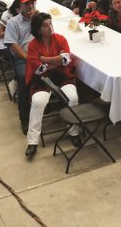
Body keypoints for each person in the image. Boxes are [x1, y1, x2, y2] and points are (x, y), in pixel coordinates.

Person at [23, 12, 81, 158]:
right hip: (42, 80)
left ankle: (74, 132)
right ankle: (32, 142)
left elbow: (66, 60)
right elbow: (39, 69)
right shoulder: (33, 45)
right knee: (38, 102)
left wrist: (44, 59)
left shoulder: (61, 39)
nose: (50, 27)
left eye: (50, 23)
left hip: (62, 76)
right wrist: (57, 60)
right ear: (38, 29)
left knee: (72, 98)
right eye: (45, 25)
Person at [4, 0, 38, 132]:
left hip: (41, 55)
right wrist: (28, 58)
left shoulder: (39, 18)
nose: (30, 6)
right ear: (20, 6)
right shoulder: (13, 22)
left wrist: (38, 19)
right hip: (23, 58)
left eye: (32, 3)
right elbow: (13, 45)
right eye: (27, 4)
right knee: (25, 78)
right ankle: (25, 118)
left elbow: (49, 34)